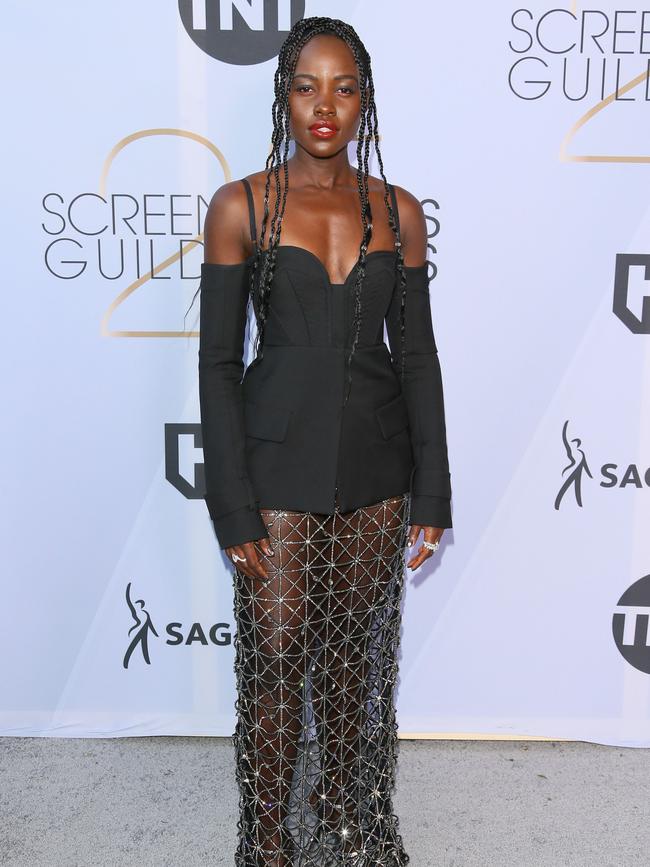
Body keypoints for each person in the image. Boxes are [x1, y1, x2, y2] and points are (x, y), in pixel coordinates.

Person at [195, 16, 452, 867]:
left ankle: (344, 815)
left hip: (378, 469)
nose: (325, 105)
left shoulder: (398, 210)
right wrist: (229, 502)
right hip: (273, 467)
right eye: (308, 85)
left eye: (344, 87)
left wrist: (433, 490)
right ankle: (269, 840)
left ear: (364, 99)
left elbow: (415, 357)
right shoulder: (242, 205)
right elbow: (216, 365)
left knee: (352, 667)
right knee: (274, 657)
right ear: (285, 95)